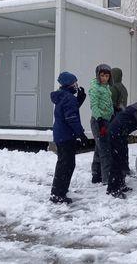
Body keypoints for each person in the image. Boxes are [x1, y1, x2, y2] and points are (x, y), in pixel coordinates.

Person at [49, 72, 88, 204]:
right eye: (74, 83)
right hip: (66, 136)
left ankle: (59, 191)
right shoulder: (69, 98)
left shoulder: (62, 96)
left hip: (60, 135)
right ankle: (58, 194)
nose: (76, 86)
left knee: (63, 163)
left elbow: (68, 110)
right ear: (68, 85)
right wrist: (81, 134)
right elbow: (72, 118)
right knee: (66, 165)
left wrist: (79, 100)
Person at [89, 64, 114, 184]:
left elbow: (108, 103)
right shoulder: (95, 87)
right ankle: (107, 178)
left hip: (107, 120)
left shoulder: (106, 87)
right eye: (102, 75)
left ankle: (96, 174)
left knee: (99, 148)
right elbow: (94, 105)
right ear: (98, 75)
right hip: (98, 121)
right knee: (105, 150)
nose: (104, 78)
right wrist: (99, 120)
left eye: (107, 76)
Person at [109, 67, 131, 176]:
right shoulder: (123, 87)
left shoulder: (113, 88)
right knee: (123, 145)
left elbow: (111, 105)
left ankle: (117, 170)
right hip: (123, 118)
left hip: (115, 119)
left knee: (115, 147)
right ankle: (124, 167)